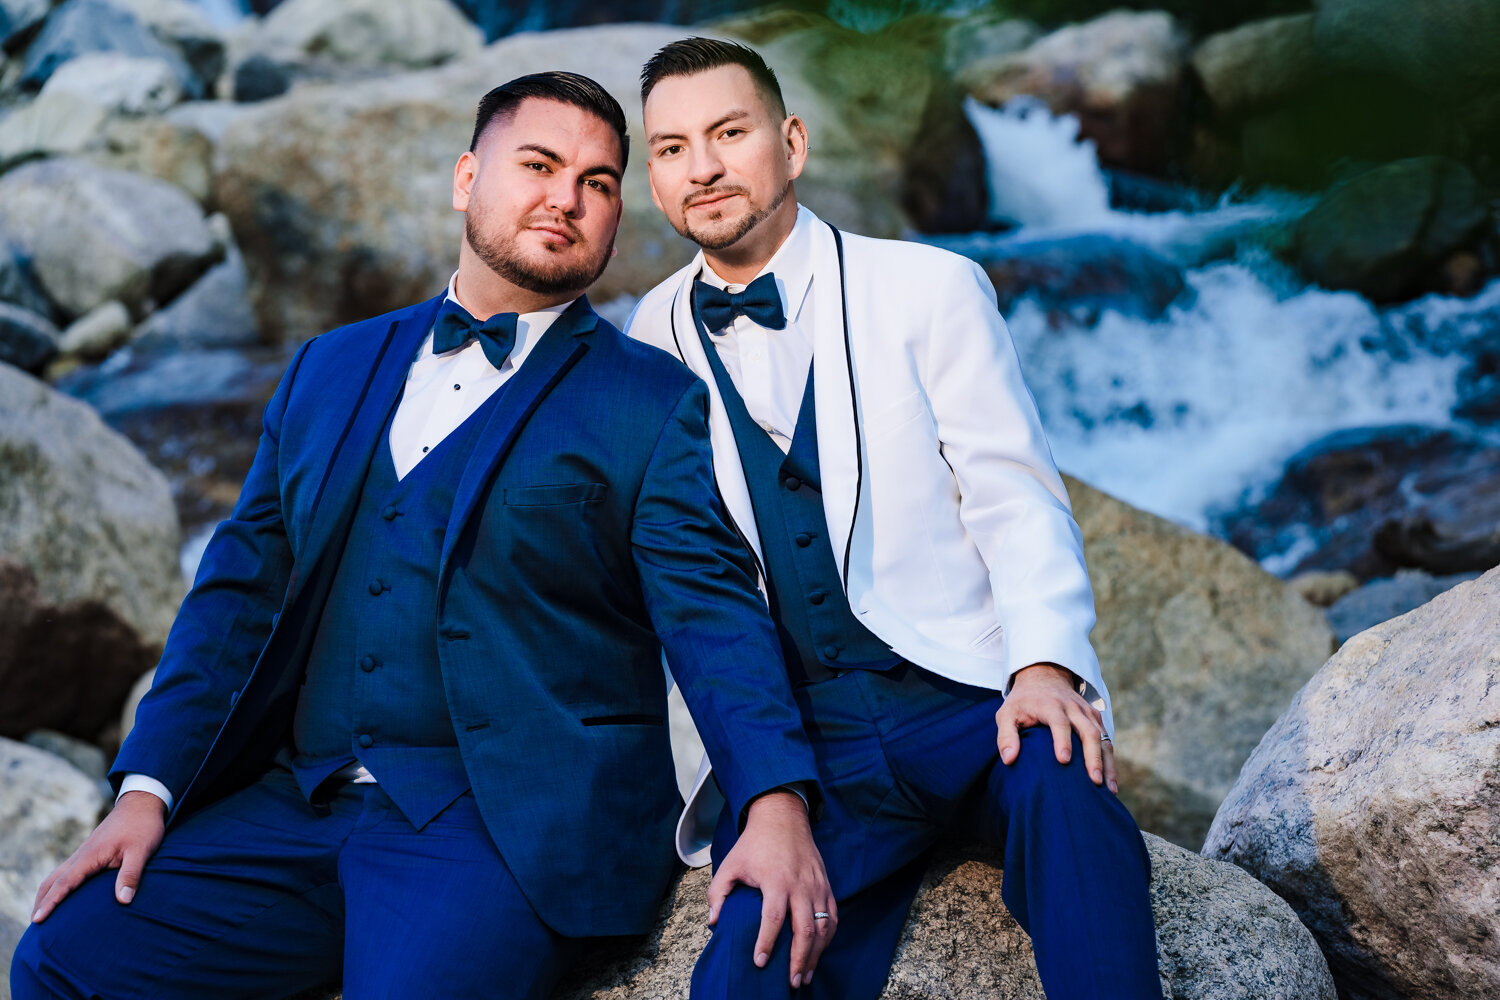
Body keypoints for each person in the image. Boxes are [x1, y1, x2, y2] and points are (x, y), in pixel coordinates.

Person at [11, 71, 833, 1000]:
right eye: (539, 164)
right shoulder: (330, 365)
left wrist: (773, 802)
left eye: (599, 183)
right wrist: (144, 792)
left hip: (498, 830)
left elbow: (709, 608)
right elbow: (236, 595)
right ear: (464, 179)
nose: (566, 198)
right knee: (63, 957)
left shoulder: (651, 399)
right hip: (296, 806)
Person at [627, 38, 1164, 1000]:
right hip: (812, 753)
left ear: (790, 143)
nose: (701, 167)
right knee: (745, 965)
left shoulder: (928, 287)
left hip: (967, 701)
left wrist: (1042, 666)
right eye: (670, 148)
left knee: (1070, 804)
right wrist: (766, 793)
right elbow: (696, 596)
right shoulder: (650, 340)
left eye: (728, 133)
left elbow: (1014, 492)